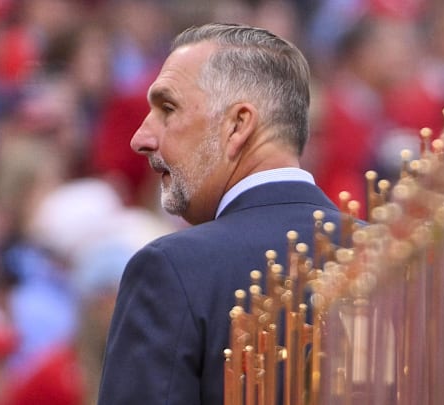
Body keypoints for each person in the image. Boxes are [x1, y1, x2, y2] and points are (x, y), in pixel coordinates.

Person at [96, 23, 346, 404]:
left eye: (168, 108)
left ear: (238, 125)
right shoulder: (395, 260)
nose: (141, 138)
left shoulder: (171, 270)